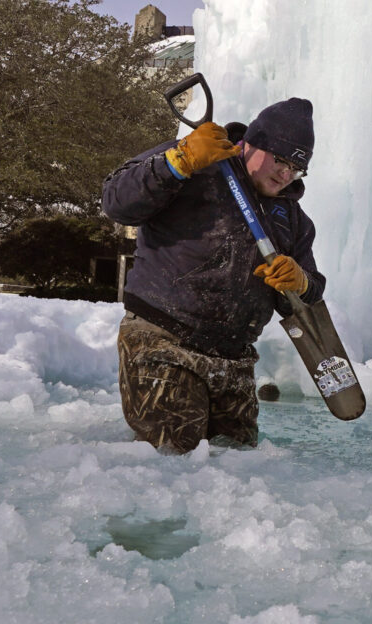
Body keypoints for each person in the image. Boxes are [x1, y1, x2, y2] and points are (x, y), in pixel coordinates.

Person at [101, 98, 325, 453]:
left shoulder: (294, 221)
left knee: (236, 472)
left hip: (234, 360)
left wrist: (300, 282)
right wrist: (176, 164)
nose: (286, 174)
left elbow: (308, 296)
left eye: (297, 169)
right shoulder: (196, 159)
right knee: (171, 463)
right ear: (250, 143)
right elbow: (116, 202)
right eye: (280, 160)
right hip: (164, 342)